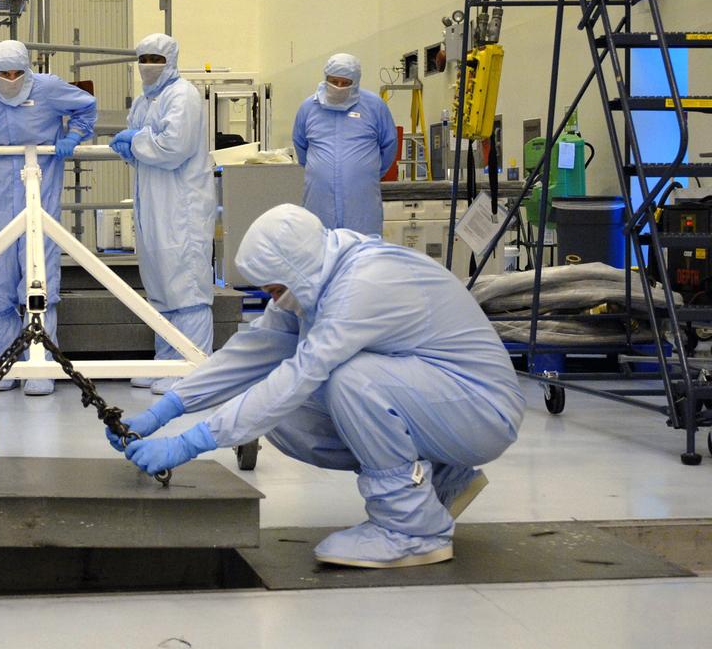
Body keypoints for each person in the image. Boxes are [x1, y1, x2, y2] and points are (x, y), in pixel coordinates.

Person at [110, 204, 524, 569]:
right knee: (285, 416)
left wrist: (192, 442)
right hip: (448, 404)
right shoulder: (316, 279)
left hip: (483, 411)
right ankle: (445, 482)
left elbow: (301, 373)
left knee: (349, 380)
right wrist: (168, 409)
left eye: (274, 289)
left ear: (293, 268)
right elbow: (250, 353)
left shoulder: (363, 284)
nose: (274, 299)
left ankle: (411, 529)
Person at [0, 40, 97, 396]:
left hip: (41, 191)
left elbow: (87, 107)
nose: (10, 80)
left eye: (16, 73)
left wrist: (75, 134)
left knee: (39, 275)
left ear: (28, 69)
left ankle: (41, 365)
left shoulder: (50, 89)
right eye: (3, 74)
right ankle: (2, 366)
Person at [110, 33, 215, 395]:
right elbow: (139, 146)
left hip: (182, 204)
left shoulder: (182, 95)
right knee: (160, 283)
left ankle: (192, 365)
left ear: (170, 59)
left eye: (155, 58)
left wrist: (135, 142)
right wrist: (129, 146)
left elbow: (174, 146)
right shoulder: (144, 101)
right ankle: (167, 360)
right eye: (143, 57)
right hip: (153, 204)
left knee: (186, 283)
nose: (148, 65)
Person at [291, 53, 397, 235]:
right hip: (319, 200)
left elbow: (389, 145)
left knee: (363, 256)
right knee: (319, 252)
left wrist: (365, 172)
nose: (339, 87)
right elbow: (301, 146)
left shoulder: (374, 106)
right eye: (334, 81)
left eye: (345, 83)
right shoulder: (308, 108)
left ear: (355, 82)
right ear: (325, 78)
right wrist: (319, 170)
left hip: (361, 204)